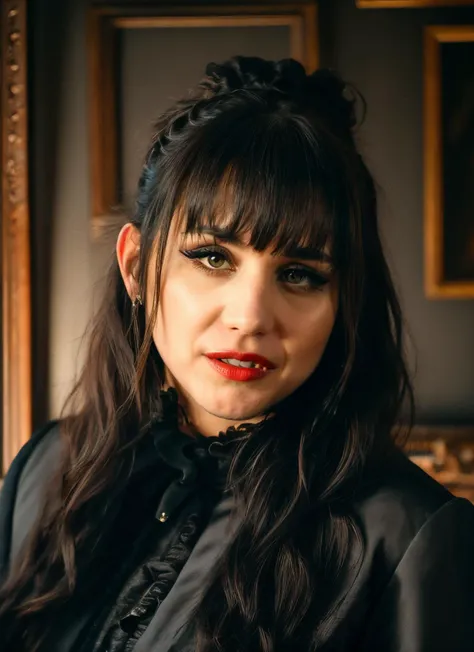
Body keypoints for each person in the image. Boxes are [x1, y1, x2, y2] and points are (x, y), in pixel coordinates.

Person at [0, 56, 473, 652]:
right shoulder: (47, 470)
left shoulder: (406, 538)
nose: (250, 316)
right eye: (213, 257)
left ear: (345, 302)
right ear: (136, 268)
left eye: (300, 274)